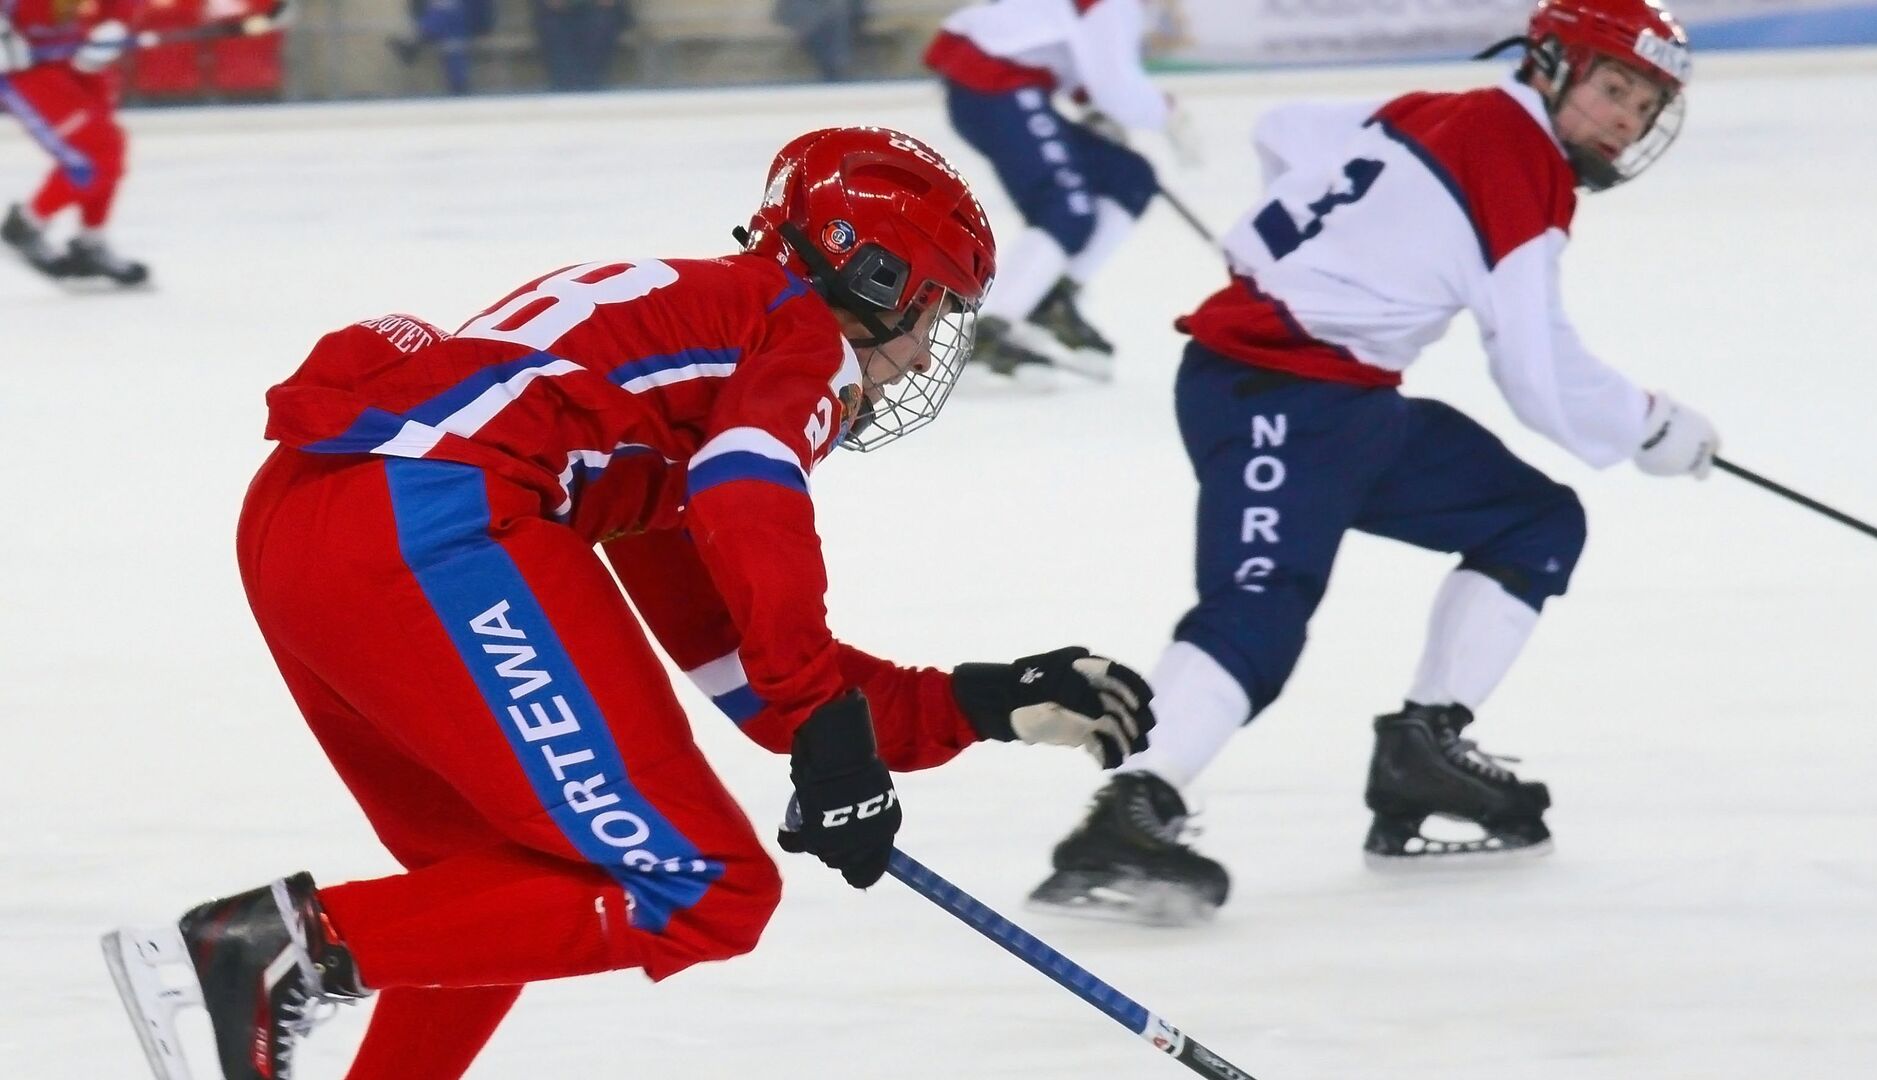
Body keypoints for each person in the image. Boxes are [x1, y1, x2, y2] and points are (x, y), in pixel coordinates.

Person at [101, 127, 1159, 1080]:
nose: (926, 353)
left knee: (499, 893)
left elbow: (743, 660)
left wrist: (971, 704)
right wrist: (831, 740)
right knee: (707, 886)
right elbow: (754, 491)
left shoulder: (668, 381)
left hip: (309, 523)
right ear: (871, 277)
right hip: (428, 519)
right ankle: (264, 951)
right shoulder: (795, 337)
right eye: (929, 312)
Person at [1027, 0, 1720, 926]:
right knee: (1259, 612)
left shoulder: (1440, 108)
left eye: (1643, 105)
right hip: (1271, 391)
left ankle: (1421, 749)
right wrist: (1652, 425)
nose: (1628, 119)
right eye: (1614, 88)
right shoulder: (1519, 163)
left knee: (1533, 520)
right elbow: (1537, 370)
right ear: (1549, 65)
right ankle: (1130, 808)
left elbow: (1285, 133)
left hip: (1344, 404)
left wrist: (1308, 246)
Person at [924, 0, 1201, 382]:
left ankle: (1052, 300)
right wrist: (1166, 114)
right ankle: (989, 334)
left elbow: (1082, 64)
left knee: (1128, 176)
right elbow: (1115, 85)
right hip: (997, 82)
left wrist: (1100, 112)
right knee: (1065, 209)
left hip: (1001, 82)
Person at [0, 0, 147, 285]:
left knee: (110, 148)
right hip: (26, 70)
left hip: (77, 58)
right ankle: (27, 225)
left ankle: (90, 242)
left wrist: (115, 25)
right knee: (94, 154)